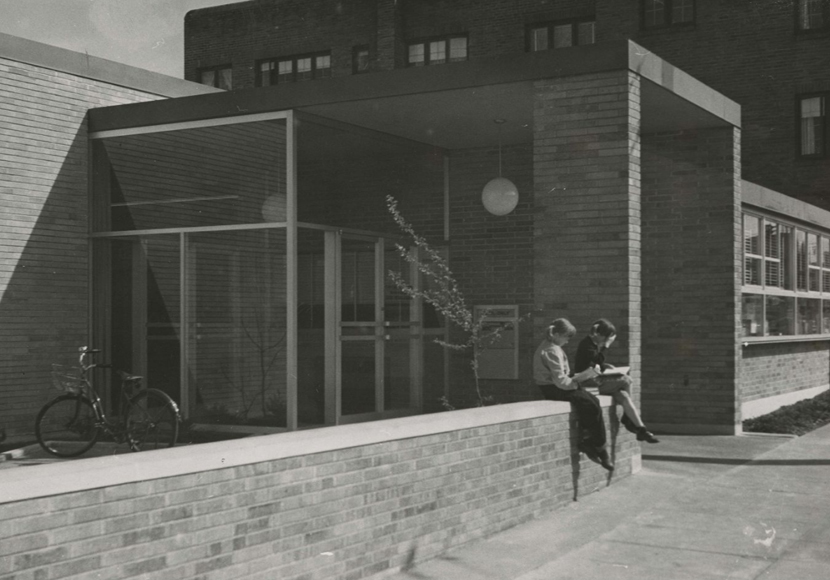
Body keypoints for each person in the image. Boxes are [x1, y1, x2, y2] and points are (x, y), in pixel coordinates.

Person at [533, 318, 614, 472]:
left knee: (593, 401)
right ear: (556, 334)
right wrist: (577, 381)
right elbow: (560, 380)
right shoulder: (551, 350)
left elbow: (562, 376)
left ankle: (594, 442)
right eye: (566, 337)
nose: (568, 341)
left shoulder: (552, 347)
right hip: (554, 388)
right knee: (589, 403)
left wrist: (579, 377)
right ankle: (599, 448)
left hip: (558, 386)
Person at [574, 318, 659, 444]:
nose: (605, 342)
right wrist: (606, 346)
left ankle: (641, 429)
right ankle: (626, 418)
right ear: (599, 335)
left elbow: (596, 364)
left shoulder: (593, 344)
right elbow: (595, 360)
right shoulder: (586, 344)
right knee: (627, 380)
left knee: (623, 394)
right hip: (588, 384)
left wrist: (606, 366)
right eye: (606, 338)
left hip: (596, 381)